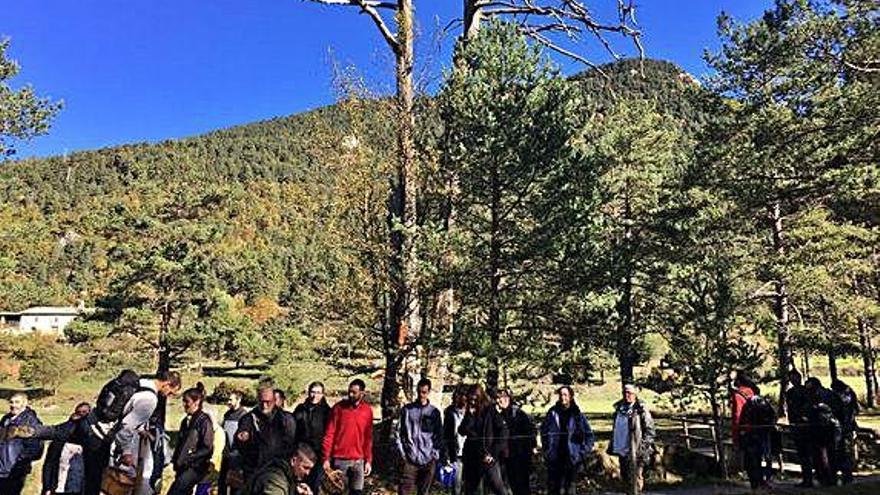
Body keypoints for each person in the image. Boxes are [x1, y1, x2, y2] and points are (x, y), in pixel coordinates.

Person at [12, 370, 182, 495]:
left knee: (55, 431)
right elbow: (126, 427)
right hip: (98, 437)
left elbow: (124, 409)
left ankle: (32, 431)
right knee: (93, 482)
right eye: (172, 392)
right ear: (167, 384)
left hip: (89, 419)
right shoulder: (150, 400)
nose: (169, 396)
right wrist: (126, 451)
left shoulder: (140, 382)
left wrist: (141, 430)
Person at [236, 384, 298, 483]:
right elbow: (240, 444)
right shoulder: (248, 419)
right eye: (261, 402)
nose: (264, 405)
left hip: (278, 472)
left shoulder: (286, 419)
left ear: (274, 401)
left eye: (268, 402)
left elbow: (291, 445)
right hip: (254, 471)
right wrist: (242, 439)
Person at [321, 379, 373, 495]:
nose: (350, 395)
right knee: (338, 492)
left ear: (362, 393)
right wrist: (326, 458)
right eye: (349, 391)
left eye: (354, 392)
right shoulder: (338, 408)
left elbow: (368, 438)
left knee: (357, 492)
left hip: (358, 461)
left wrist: (368, 460)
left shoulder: (367, 411)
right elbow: (329, 434)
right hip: (340, 460)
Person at [540, 386, 594, 495]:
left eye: (565, 395)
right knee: (554, 487)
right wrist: (546, 449)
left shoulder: (577, 414)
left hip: (572, 456)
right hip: (555, 456)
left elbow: (589, 435)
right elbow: (544, 431)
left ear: (570, 397)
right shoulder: (552, 413)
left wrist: (583, 453)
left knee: (570, 488)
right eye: (560, 394)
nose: (562, 397)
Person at [395, 378, 443, 495]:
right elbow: (398, 432)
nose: (421, 395)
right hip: (410, 459)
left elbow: (439, 435)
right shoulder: (407, 410)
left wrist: (435, 454)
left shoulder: (434, 412)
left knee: (424, 492)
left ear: (428, 392)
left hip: (428, 460)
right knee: (404, 491)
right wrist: (403, 453)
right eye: (419, 392)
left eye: (424, 392)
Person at [458, 384, 507, 495]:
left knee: (498, 488)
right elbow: (462, 430)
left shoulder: (490, 411)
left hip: (487, 456)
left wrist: (493, 453)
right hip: (472, 457)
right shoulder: (470, 412)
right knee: (470, 490)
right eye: (471, 400)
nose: (473, 402)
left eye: (475, 400)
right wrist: (469, 415)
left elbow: (503, 431)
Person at [168, 383, 215, 495]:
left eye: (186, 401)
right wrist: (176, 460)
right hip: (182, 467)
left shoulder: (204, 420)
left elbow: (207, 447)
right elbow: (181, 443)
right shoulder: (185, 421)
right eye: (183, 401)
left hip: (194, 468)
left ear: (196, 402)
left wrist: (190, 457)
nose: (184, 404)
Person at [608, 385, 655, 495]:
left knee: (635, 481)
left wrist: (642, 447)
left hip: (636, 451)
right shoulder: (619, 409)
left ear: (635, 395)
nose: (627, 395)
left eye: (629, 393)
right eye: (625, 393)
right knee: (626, 480)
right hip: (621, 450)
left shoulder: (641, 410)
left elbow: (650, 430)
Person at [42, 402, 91, 495]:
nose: (81, 416)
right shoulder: (60, 438)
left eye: (85, 412)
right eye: (79, 413)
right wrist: (47, 487)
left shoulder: (91, 442)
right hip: (58, 488)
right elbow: (49, 464)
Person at [0, 393, 44, 495]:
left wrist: (18, 463)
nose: (13, 405)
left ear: (25, 403)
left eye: (17, 402)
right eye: (11, 402)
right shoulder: (6, 419)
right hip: (2, 468)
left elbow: (35, 449)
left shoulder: (31, 422)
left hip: (14, 471)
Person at [294, 382, 331, 495]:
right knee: (300, 484)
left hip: (319, 454)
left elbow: (330, 435)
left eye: (318, 392)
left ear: (323, 394)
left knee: (315, 483)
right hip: (302, 453)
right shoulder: (300, 409)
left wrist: (327, 457)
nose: (315, 395)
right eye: (313, 392)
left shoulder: (327, 412)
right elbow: (293, 430)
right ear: (308, 392)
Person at [497, 388, 536, 495]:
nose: (499, 401)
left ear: (509, 399)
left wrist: (530, 451)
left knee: (522, 486)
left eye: (502, 398)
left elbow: (530, 434)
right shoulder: (500, 416)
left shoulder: (519, 414)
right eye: (498, 398)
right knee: (512, 485)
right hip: (508, 457)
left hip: (520, 456)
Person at [805, 377, 841, 487]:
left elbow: (811, 410)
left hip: (824, 428)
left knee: (825, 454)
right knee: (825, 454)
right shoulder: (826, 395)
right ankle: (827, 477)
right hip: (823, 428)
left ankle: (828, 478)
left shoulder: (822, 396)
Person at [738, 388, 777, 490]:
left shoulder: (748, 405)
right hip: (764, 432)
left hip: (752, 435)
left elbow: (743, 420)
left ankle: (756, 482)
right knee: (765, 457)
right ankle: (766, 479)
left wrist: (743, 432)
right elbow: (773, 416)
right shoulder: (764, 403)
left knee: (753, 459)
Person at [244, 443, 317, 495]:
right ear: (293, 461)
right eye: (305, 468)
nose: (307, 473)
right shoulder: (275, 479)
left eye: (310, 469)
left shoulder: (288, 477)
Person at [785, 370, 813, 487]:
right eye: (791, 378)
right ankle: (806, 478)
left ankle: (809, 478)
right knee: (802, 454)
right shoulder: (790, 392)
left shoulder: (805, 392)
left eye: (794, 378)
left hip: (804, 426)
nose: (792, 380)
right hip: (796, 425)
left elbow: (807, 407)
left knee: (806, 453)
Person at [220, 390, 250, 495]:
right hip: (225, 454)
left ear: (239, 400)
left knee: (235, 484)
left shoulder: (244, 416)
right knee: (222, 482)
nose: (228, 402)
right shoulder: (227, 414)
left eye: (230, 399)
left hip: (237, 455)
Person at [830, 379, 859, 485]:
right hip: (846, 426)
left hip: (845, 427)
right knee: (843, 451)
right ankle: (846, 474)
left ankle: (847, 475)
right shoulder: (849, 394)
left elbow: (848, 411)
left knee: (844, 451)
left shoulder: (845, 395)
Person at [443, 385, 467, 495]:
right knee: (456, 486)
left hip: (471, 453)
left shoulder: (473, 412)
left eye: (460, 395)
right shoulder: (449, 412)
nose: (457, 398)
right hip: (456, 454)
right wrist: (447, 453)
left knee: (471, 485)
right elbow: (446, 434)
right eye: (456, 395)